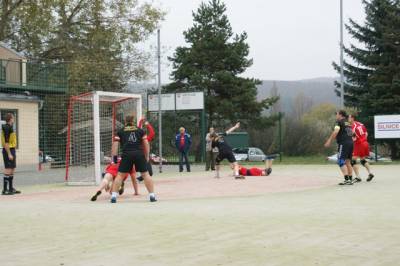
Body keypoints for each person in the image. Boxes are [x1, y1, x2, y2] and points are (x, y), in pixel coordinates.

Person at [110, 115, 156, 203]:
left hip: (126, 154)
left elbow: (115, 145)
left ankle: (113, 197)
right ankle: (152, 196)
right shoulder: (140, 131)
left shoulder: (120, 131)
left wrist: (114, 158)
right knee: (145, 175)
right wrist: (146, 155)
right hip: (139, 154)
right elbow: (146, 143)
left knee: (120, 175)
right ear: (133, 121)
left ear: (125, 121)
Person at [324, 110, 354, 185]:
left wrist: (329, 140)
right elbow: (352, 134)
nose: (336, 116)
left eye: (336, 114)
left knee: (340, 161)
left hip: (343, 143)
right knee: (348, 161)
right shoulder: (348, 123)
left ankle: (346, 179)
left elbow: (335, 131)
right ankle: (350, 180)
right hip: (350, 143)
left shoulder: (339, 122)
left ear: (340, 115)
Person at [348, 114, 374, 182]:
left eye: (349, 117)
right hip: (365, 143)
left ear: (352, 118)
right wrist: (363, 140)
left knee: (352, 160)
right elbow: (366, 133)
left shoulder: (352, 127)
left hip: (359, 144)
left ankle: (358, 177)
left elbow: (353, 138)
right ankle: (370, 173)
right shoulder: (360, 124)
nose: (348, 119)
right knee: (362, 160)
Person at [1, 113, 20, 195]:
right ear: (10, 119)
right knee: (8, 168)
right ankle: (5, 189)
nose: (14, 119)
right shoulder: (6, 127)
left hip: (12, 149)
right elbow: (6, 142)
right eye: (13, 118)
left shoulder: (10, 127)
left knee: (12, 168)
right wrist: (9, 153)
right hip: (8, 150)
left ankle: (11, 188)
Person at [135, 116, 155, 182]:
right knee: (148, 172)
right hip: (142, 155)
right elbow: (152, 133)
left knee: (149, 172)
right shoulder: (144, 139)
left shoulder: (139, 138)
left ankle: (139, 179)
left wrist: (141, 121)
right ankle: (138, 179)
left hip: (143, 155)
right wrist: (147, 124)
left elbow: (138, 129)